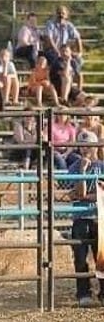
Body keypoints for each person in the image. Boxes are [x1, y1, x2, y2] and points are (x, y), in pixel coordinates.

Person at [67, 130, 104, 308]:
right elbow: (74, 193)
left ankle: (103, 293)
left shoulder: (102, 166)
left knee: (101, 258)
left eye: (88, 144)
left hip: (99, 216)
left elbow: (97, 195)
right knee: (80, 258)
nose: (85, 148)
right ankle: (83, 293)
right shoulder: (75, 167)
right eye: (82, 145)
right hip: (80, 218)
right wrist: (82, 170)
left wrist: (85, 196)